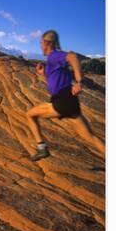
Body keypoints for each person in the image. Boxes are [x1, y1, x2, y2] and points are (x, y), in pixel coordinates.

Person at [26, 30, 105, 162]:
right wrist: (43, 74)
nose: (40, 46)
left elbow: (73, 57)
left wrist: (80, 81)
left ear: (46, 43)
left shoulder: (54, 56)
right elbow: (53, 82)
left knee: (30, 115)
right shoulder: (52, 61)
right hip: (70, 102)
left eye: (40, 43)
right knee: (90, 136)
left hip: (62, 101)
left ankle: (42, 148)